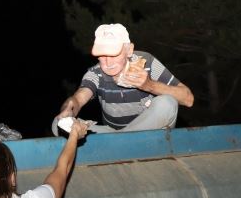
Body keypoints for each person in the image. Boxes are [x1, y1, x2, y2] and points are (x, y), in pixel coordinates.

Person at [53, 23, 194, 134]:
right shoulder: (96, 73)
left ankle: (123, 143)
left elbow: (188, 99)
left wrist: (149, 85)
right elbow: (77, 99)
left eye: (114, 54)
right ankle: (124, 143)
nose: (108, 63)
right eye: (102, 55)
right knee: (58, 124)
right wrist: (68, 110)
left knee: (168, 103)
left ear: (129, 50)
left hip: (150, 133)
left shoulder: (147, 62)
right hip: (111, 134)